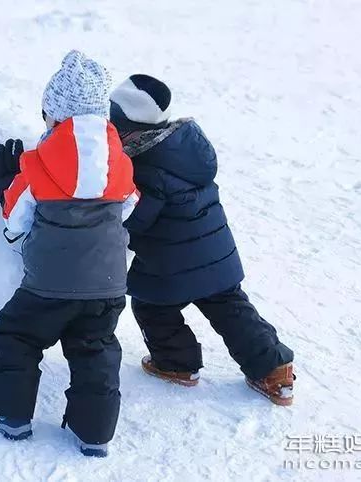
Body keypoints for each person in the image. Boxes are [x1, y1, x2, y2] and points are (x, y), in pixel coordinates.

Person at [0, 50, 140, 457]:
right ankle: (94, 433)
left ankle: (7, 415)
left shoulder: (35, 166)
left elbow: (16, 218)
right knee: (95, 348)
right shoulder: (119, 166)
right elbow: (129, 205)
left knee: (17, 336)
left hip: (47, 285)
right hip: (106, 284)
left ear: (55, 117)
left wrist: (6, 183)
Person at [109, 74, 295, 406]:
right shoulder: (182, 146)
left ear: (132, 130)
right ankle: (274, 367)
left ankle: (176, 363)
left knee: (151, 307)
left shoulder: (146, 167)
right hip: (216, 252)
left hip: (171, 263)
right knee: (230, 307)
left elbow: (136, 218)